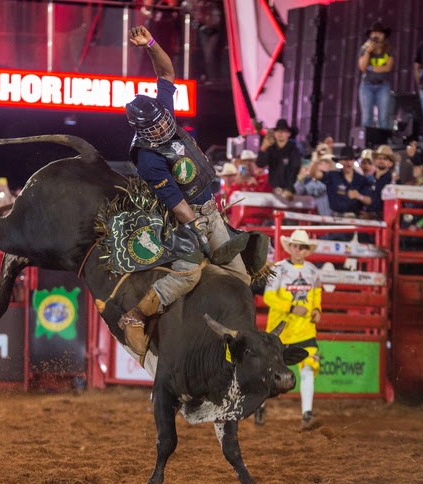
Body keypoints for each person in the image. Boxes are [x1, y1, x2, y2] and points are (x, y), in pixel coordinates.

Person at [119, 25, 249, 357]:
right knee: (189, 272)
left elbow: (165, 71)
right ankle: (137, 315)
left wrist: (150, 42)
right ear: (142, 131)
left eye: (164, 121)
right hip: (187, 218)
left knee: (241, 277)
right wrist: (196, 230)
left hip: (209, 210)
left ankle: (229, 333)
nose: (165, 127)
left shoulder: (164, 112)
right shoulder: (148, 159)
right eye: (157, 127)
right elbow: (175, 202)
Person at [262, 229, 322, 429]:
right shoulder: (278, 269)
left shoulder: (313, 272)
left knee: (307, 368)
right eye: (295, 246)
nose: (298, 249)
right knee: (268, 371)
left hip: (304, 330)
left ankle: (307, 413)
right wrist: (291, 307)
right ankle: (260, 406)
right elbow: (268, 297)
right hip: (280, 330)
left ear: (306, 250)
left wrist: (316, 311)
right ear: (290, 248)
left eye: (302, 247)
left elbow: (317, 297)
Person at [310, 146, 370, 218]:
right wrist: (318, 158)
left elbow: (370, 200)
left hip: (355, 219)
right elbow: (314, 174)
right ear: (340, 161)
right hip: (336, 219)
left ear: (354, 161)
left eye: (350, 159)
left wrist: (359, 196)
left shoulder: (361, 179)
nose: (348, 163)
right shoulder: (333, 176)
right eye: (344, 159)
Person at [358, 21, 395, 129]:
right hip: (367, 85)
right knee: (366, 117)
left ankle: (383, 143)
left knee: (383, 117)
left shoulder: (389, 50)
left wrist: (371, 68)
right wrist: (368, 52)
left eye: (379, 33)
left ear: (384, 35)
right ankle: (367, 143)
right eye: (374, 33)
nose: (376, 35)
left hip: (383, 85)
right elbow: (362, 68)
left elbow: (387, 68)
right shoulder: (364, 49)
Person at [256, 119, 303, 195]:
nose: (280, 133)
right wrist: (263, 148)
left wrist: (288, 188)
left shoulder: (293, 150)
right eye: (277, 131)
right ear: (274, 133)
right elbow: (260, 164)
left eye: (283, 131)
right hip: (272, 190)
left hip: (288, 191)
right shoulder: (271, 149)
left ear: (289, 133)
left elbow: (294, 170)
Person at [362, 145, 396, 220]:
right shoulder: (370, 179)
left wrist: (374, 215)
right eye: (379, 158)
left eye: (385, 159)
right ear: (375, 161)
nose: (381, 161)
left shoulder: (392, 181)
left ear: (391, 163)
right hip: (368, 220)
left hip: (383, 221)